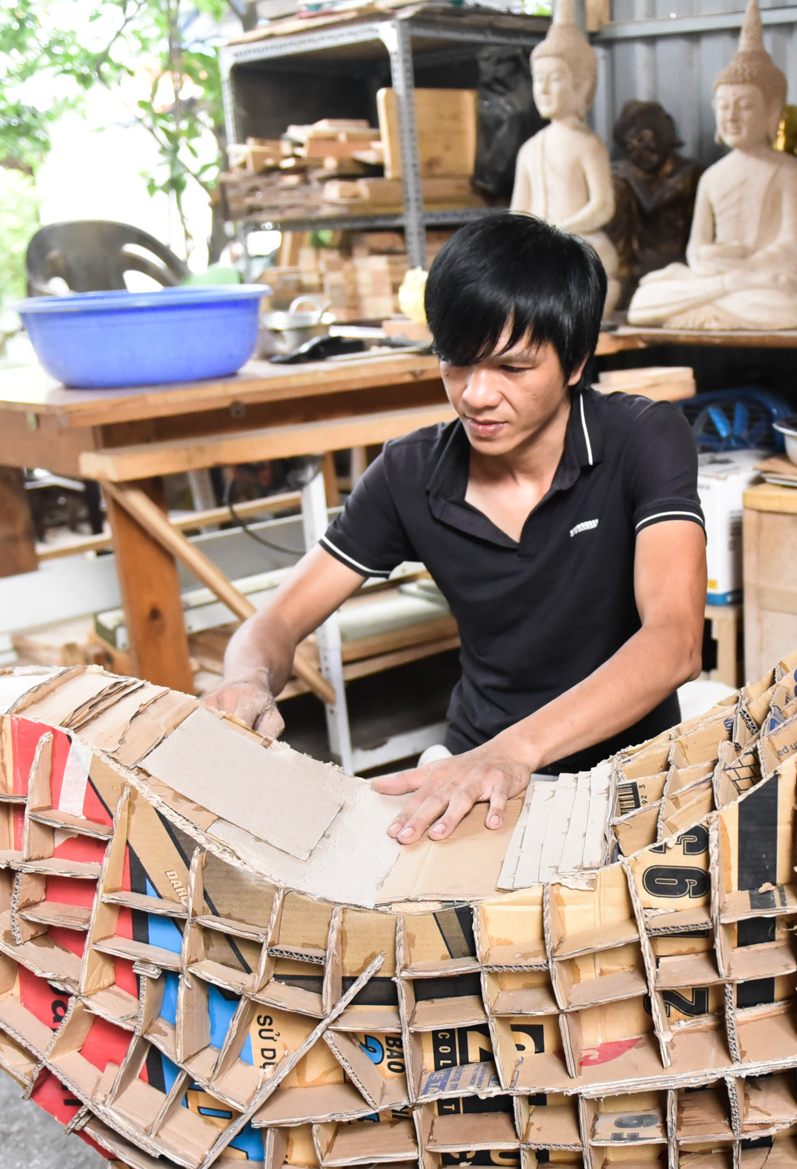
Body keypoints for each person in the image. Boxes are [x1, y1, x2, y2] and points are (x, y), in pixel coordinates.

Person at [202, 212, 706, 845]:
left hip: (628, 772)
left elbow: (676, 640)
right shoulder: (411, 472)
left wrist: (513, 752)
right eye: (455, 363)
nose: (475, 395)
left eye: (513, 369)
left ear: (576, 361)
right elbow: (275, 622)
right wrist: (246, 681)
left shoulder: (642, 438)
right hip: (473, 771)